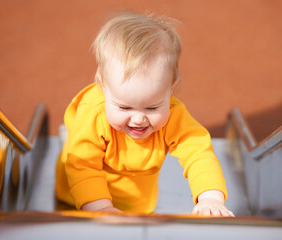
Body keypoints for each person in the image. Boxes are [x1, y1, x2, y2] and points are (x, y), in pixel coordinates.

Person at [55, 11, 234, 217]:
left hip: (136, 200)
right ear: (103, 87)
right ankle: (73, 135)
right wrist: (102, 208)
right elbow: (83, 165)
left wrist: (210, 198)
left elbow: (198, 153)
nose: (139, 119)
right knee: (77, 164)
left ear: (171, 89)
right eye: (124, 108)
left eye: (152, 108)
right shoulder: (94, 115)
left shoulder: (174, 115)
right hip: (81, 194)